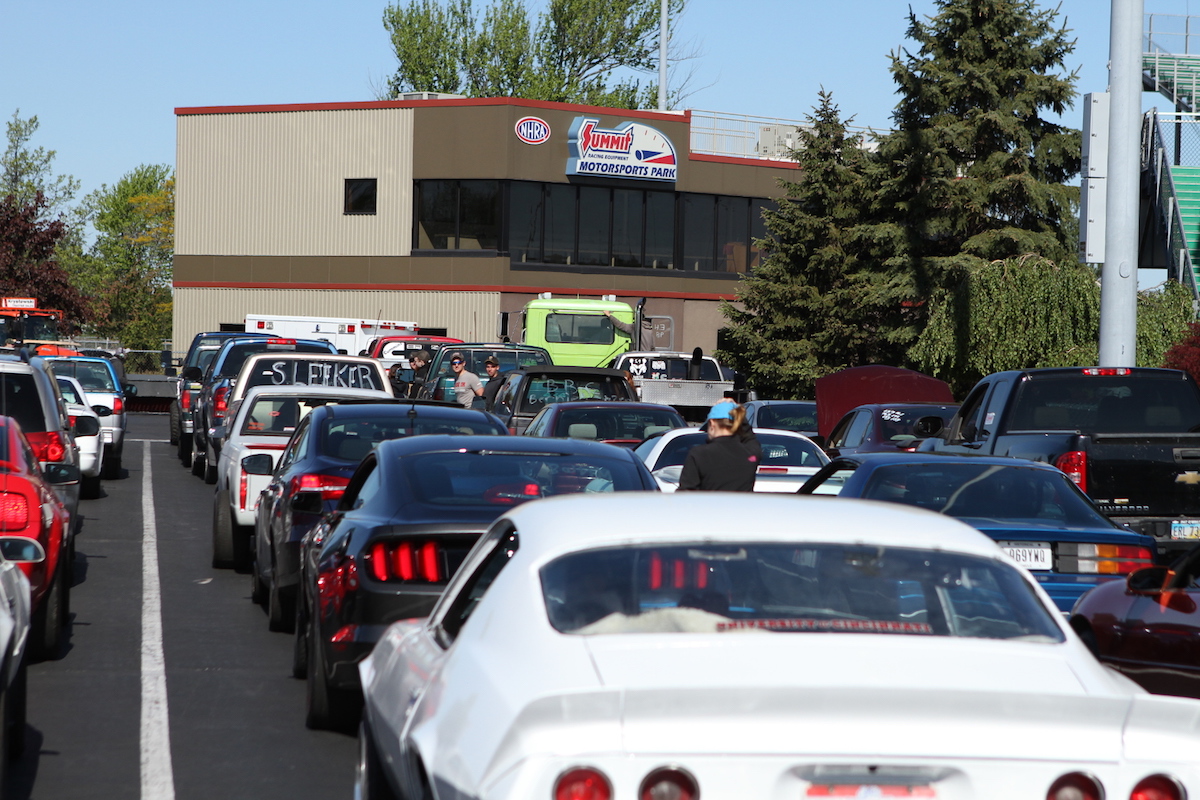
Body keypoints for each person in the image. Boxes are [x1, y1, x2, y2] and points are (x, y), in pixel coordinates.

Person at [679, 401, 758, 492]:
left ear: (712, 424)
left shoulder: (699, 454)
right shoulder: (750, 453)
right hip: (742, 502)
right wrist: (737, 410)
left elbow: (686, 493)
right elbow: (750, 437)